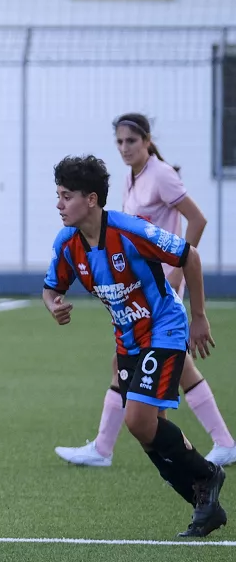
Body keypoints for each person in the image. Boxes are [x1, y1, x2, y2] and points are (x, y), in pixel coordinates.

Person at [43, 154, 226, 537]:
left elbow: (188, 256)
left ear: (91, 199)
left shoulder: (130, 231)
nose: (59, 204)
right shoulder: (67, 243)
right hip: (128, 339)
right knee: (147, 431)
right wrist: (54, 306)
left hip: (164, 328)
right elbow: (51, 288)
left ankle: (208, 476)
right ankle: (202, 504)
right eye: (57, 196)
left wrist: (199, 317)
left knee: (138, 421)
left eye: (66, 196)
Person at [55, 114, 235, 468]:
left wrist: (178, 272)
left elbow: (196, 220)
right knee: (148, 365)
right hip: (143, 286)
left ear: (148, 141)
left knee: (159, 366)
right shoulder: (129, 180)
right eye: (119, 142)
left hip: (162, 287)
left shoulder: (162, 175)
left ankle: (108, 448)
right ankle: (219, 442)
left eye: (131, 142)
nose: (124, 148)